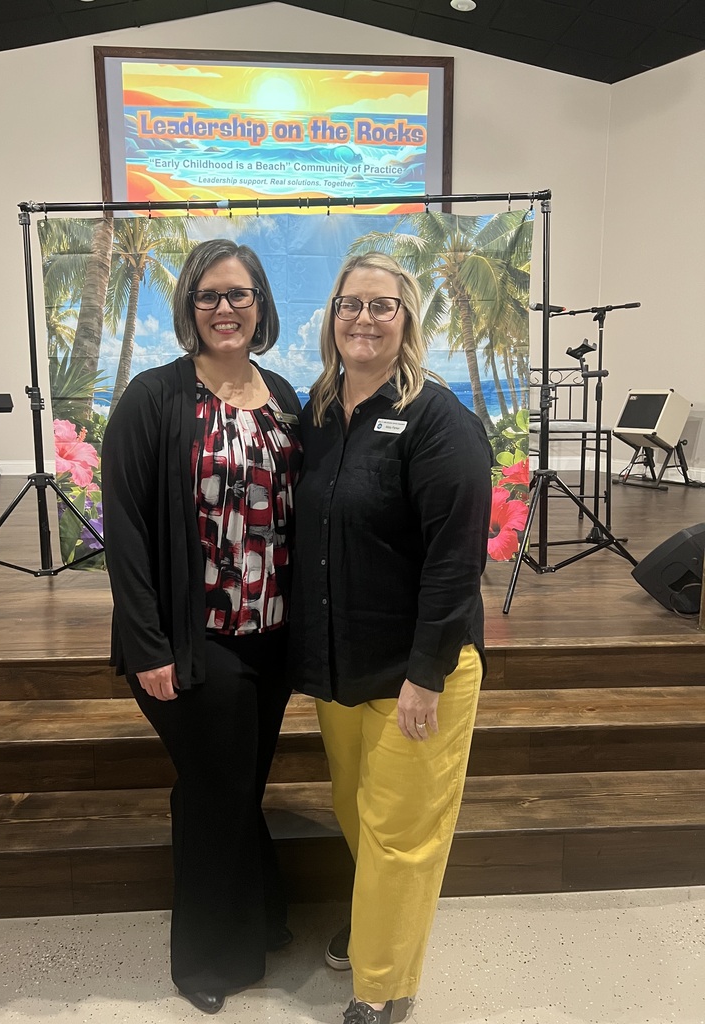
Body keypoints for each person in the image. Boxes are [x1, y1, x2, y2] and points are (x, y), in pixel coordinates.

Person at [101, 238, 302, 1016]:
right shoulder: (154, 398)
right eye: (210, 296)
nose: (226, 308)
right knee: (215, 792)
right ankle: (207, 962)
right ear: (189, 307)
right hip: (193, 642)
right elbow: (126, 531)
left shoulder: (282, 392)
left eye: (240, 294)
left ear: (261, 304)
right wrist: (149, 645)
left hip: (272, 638)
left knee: (242, 785)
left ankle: (265, 914)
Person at [290, 252, 492, 1024]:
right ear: (331, 318)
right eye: (350, 305)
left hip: (420, 668)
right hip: (344, 663)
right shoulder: (318, 411)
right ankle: (380, 924)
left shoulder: (440, 419)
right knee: (357, 809)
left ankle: (380, 988)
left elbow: (455, 557)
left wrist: (427, 672)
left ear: (407, 320)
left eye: (383, 306)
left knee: (403, 833)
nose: (364, 320)